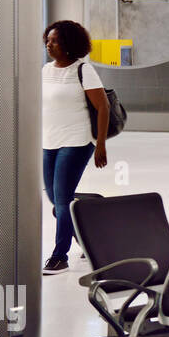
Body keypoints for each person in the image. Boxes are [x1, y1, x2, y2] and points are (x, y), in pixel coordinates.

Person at [42, 20, 110, 273]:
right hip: (49, 140)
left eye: (55, 40)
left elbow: (103, 107)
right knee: (55, 197)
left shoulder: (83, 70)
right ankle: (88, 226)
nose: (49, 45)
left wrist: (100, 144)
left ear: (69, 44)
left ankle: (60, 256)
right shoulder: (46, 71)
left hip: (77, 141)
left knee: (61, 199)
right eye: (48, 40)